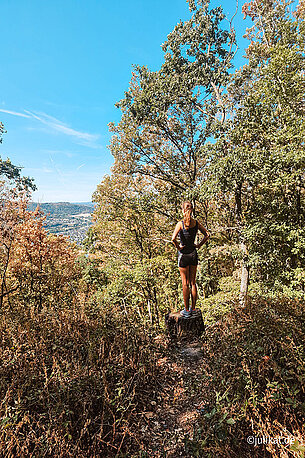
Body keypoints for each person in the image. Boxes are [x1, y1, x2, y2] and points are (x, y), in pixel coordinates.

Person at [171, 201, 210, 317]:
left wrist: (178, 247)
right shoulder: (196, 223)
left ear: (183, 210)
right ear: (191, 210)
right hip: (193, 254)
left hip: (183, 255)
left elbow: (173, 238)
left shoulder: (180, 224)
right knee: (193, 283)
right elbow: (207, 234)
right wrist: (198, 245)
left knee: (185, 284)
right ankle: (193, 309)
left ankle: (187, 311)